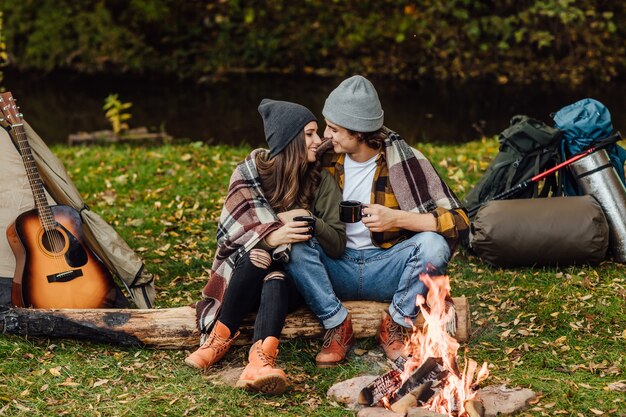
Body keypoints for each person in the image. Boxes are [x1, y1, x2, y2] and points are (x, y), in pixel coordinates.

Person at [285, 75, 470, 367]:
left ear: (358, 132)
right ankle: (336, 324)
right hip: (336, 266)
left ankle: (396, 323)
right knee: (295, 243)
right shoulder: (322, 160)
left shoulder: (406, 162)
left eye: (333, 128)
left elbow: (459, 222)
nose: (324, 135)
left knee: (433, 245)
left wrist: (398, 218)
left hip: (388, 268)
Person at [185, 99, 346, 394]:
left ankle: (260, 361)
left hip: (294, 281)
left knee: (276, 277)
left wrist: (310, 222)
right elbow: (231, 237)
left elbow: (337, 245)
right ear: (290, 139)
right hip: (246, 277)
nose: (319, 140)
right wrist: (273, 234)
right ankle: (218, 339)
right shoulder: (250, 175)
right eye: (310, 134)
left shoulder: (320, 181)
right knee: (257, 254)